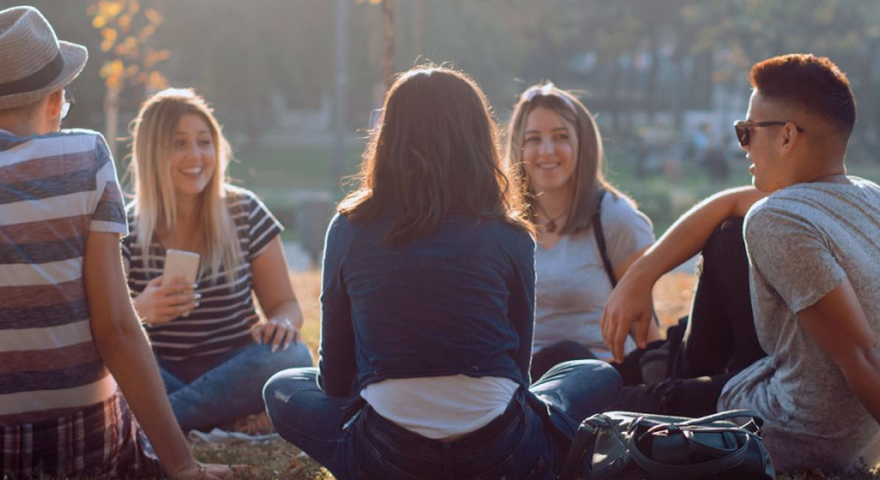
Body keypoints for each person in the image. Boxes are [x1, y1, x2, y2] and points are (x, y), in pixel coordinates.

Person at [263, 66, 622, 480]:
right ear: (477, 139)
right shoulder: (509, 232)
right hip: (502, 451)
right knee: (593, 374)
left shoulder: (349, 226)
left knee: (283, 387)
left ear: (390, 137)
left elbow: (334, 378)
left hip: (387, 454)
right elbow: (519, 372)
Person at [602, 53, 880, 472]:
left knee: (596, 397)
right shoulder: (868, 196)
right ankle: (666, 368)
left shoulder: (777, 220)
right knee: (729, 233)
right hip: (831, 419)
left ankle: (664, 380)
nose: (743, 145)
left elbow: (861, 353)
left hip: (784, 430)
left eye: (746, 131)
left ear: (787, 137)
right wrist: (641, 275)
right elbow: (732, 202)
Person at [0, 6, 231, 478]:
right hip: (79, 436)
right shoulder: (83, 155)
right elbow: (117, 329)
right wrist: (183, 466)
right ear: (55, 98)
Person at [122, 88, 313, 433]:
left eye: (204, 141)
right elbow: (108, 329)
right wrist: (140, 311)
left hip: (235, 366)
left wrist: (283, 323)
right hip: (160, 370)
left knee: (293, 355)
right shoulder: (124, 228)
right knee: (111, 366)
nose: (195, 155)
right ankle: (221, 419)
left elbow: (286, 305)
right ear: (151, 152)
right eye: (178, 143)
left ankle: (158, 422)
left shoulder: (246, 211)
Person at [506, 82, 658, 379]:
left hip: (599, 384)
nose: (546, 150)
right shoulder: (504, 225)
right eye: (533, 139)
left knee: (567, 356)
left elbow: (647, 333)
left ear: (583, 144)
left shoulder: (616, 218)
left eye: (560, 137)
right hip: (523, 386)